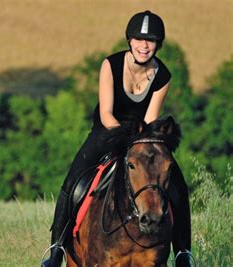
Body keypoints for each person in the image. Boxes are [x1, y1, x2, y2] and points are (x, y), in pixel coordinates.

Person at [42, 10, 192, 267]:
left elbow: (150, 120)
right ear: (129, 41)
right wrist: (125, 137)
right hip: (107, 132)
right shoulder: (110, 65)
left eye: (151, 41)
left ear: (157, 44)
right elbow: (106, 113)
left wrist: (141, 140)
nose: (144, 46)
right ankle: (56, 248)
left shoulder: (163, 75)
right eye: (139, 39)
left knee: (178, 187)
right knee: (74, 182)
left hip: (143, 138)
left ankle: (182, 253)